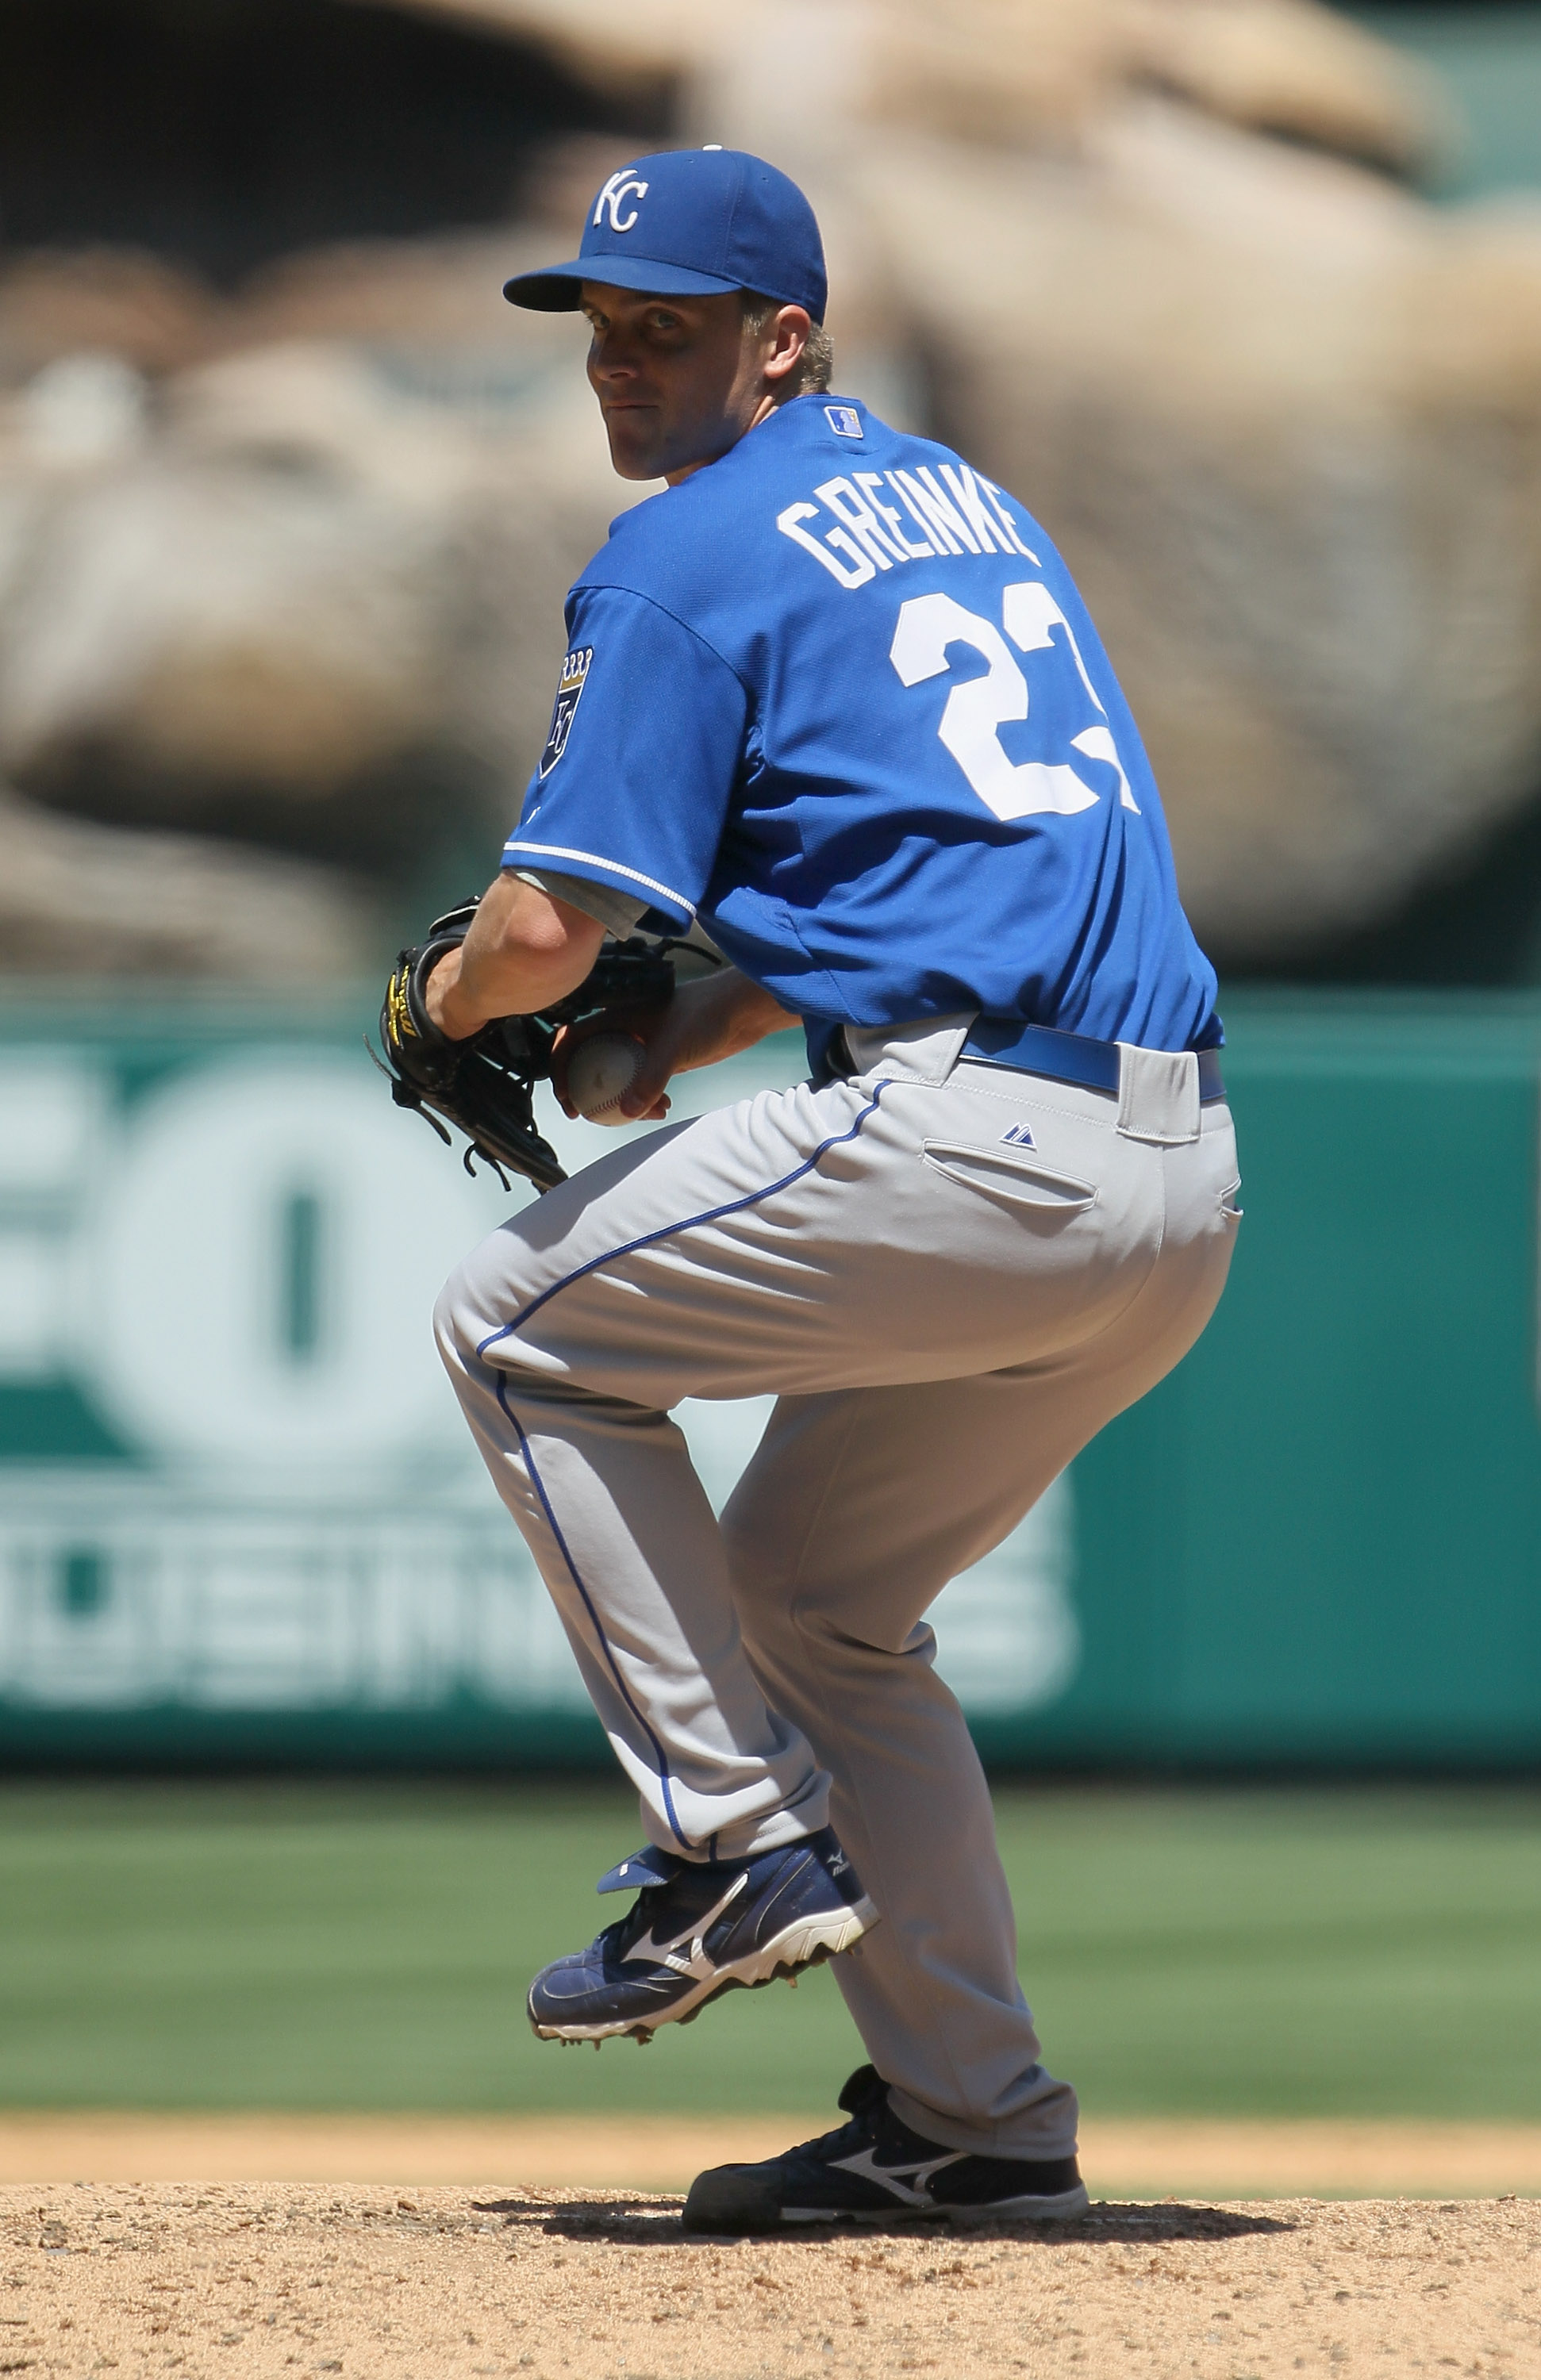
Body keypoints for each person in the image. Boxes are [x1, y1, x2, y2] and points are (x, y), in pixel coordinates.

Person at [429, 147, 1240, 2233]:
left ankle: (726, 1843)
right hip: (1172, 1182)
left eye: (669, 329)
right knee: (813, 1608)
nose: (621, 366)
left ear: (783, 338)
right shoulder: (966, 508)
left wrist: (457, 1002)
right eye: (601, 328)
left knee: (508, 1327)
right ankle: (976, 2124)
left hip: (972, 1145)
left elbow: (532, 930)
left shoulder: (684, 555)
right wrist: (673, 1036)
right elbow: (907, 868)